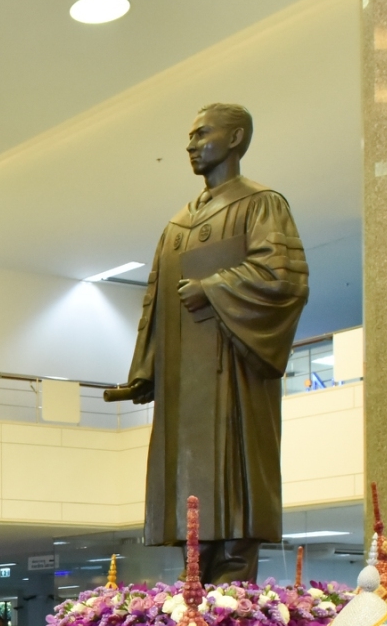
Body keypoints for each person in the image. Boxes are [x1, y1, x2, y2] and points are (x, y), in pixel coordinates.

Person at [103, 103, 309, 583]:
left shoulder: (261, 204)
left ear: (235, 138)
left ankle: (233, 590)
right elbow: (154, 303)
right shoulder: (177, 225)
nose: (191, 144)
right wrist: (146, 370)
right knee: (188, 486)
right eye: (190, 136)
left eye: (202, 134)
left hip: (230, 373)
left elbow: (284, 279)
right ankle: (195, 585)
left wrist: (214, 288)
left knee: (232, 480)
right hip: (183, 382)